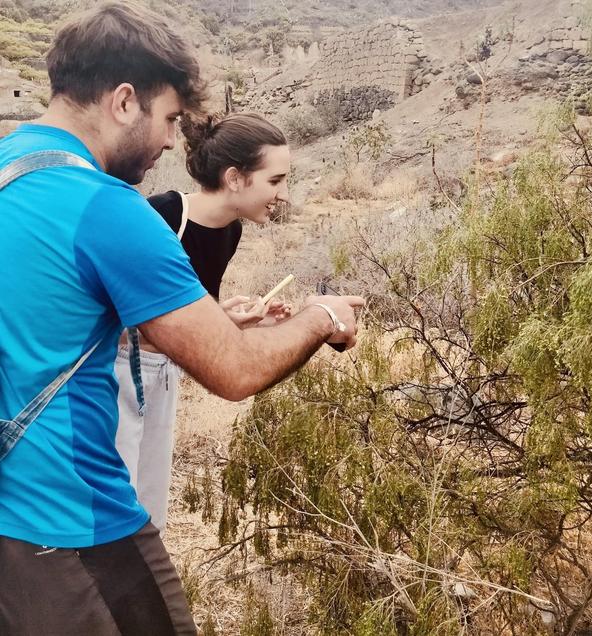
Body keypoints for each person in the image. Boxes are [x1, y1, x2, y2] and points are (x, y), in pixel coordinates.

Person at [0, 3, 363, 635]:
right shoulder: (111, 209)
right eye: (168, 118)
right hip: (69, 519)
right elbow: (234, 372)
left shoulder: (10, 165)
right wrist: (319, 316)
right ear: (123, 102)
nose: (172, 141)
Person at [115, 112, 292, 535]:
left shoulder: (230, 231)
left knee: (149, 501)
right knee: (117, 497)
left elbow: (190, 310)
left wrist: (230, 320)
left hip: (165, 374)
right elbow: (113, 314)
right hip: (118, 375)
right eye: (275, 180)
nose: (283, 194)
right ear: (234, 178)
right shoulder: (163, 214)